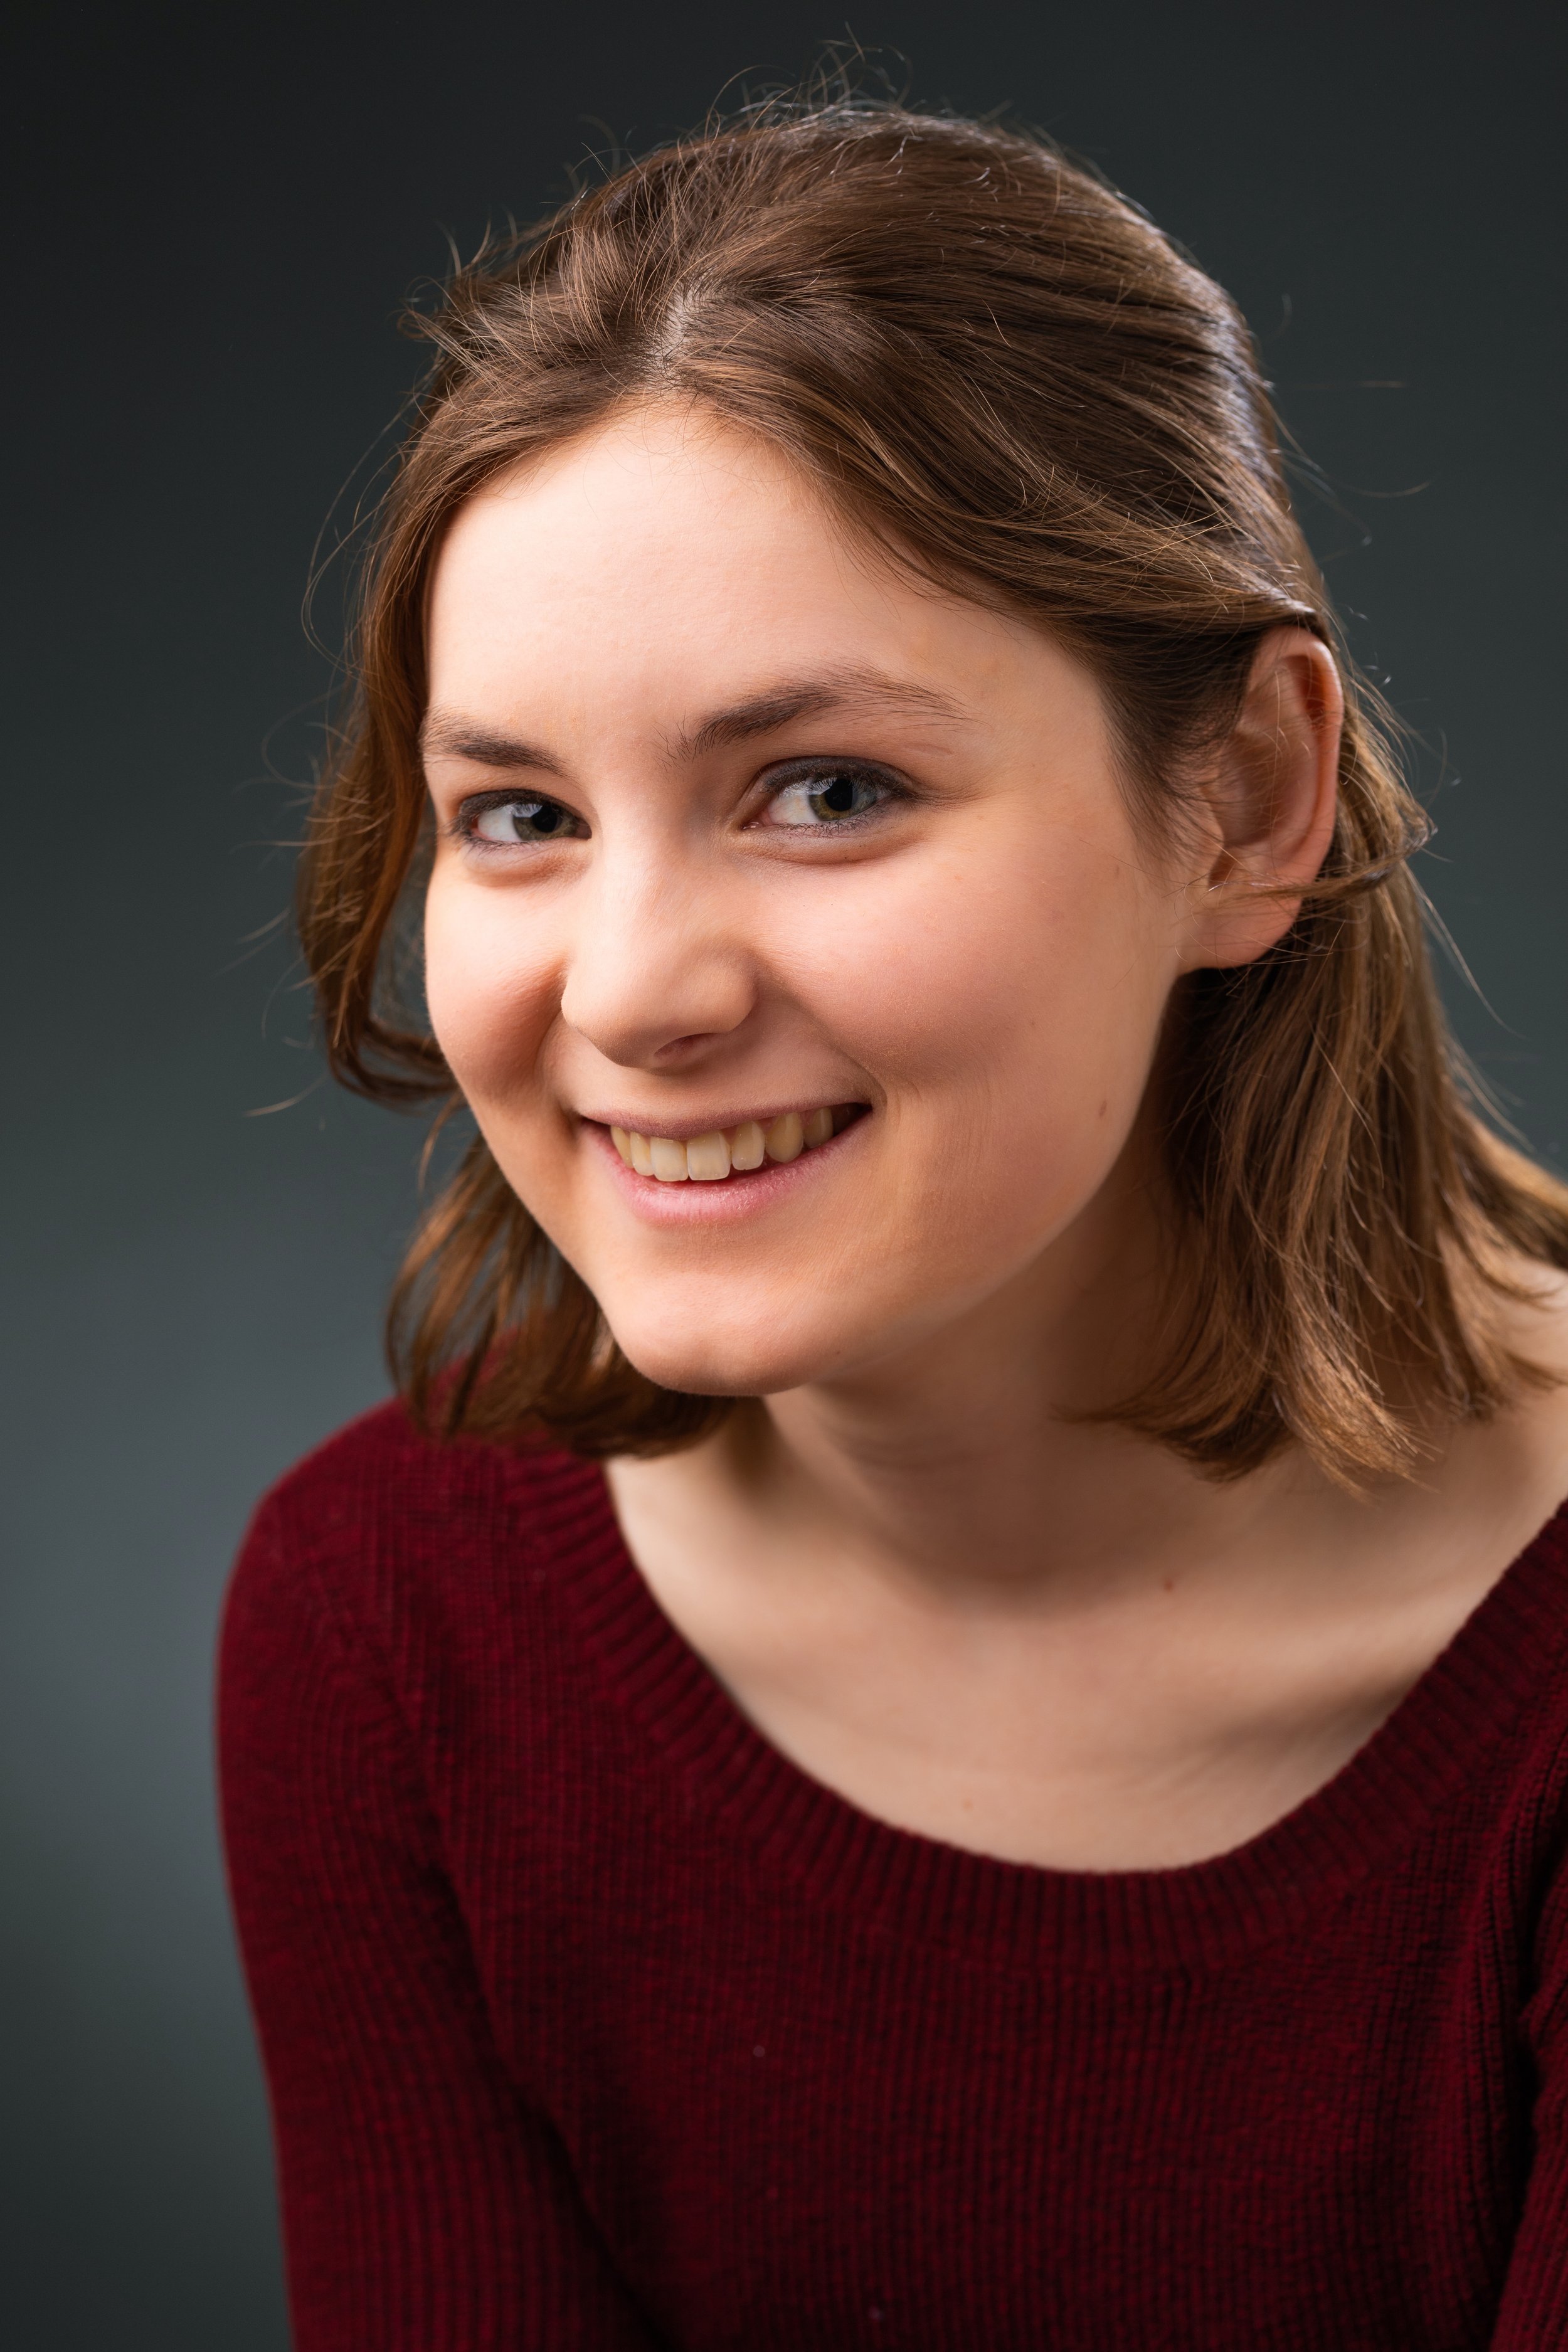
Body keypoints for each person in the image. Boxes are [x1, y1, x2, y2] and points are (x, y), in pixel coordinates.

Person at [219, 97, 1568, 2349]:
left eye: (825, 791)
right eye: (519, 813)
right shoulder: (387, 1632)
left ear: (1244, 802)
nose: (635, 993)